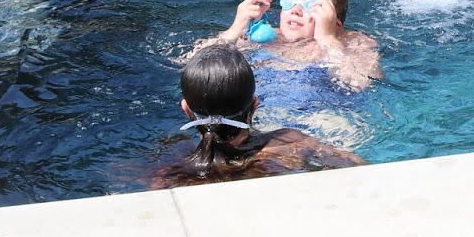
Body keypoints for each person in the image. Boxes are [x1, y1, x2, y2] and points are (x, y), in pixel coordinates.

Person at [153, 43, 365, 188]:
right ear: (254, 105)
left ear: (186, 109)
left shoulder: (174, 155)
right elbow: (360, 169)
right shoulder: (290, 143)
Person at [212, 0, 382, 92]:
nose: (295, 10)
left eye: (310, 6)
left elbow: (359, 83)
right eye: (290, 2)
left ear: (335, 23)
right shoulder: (269, 38)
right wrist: (234, 30)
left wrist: (327, 39)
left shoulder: (353, 42)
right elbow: (201, 64)